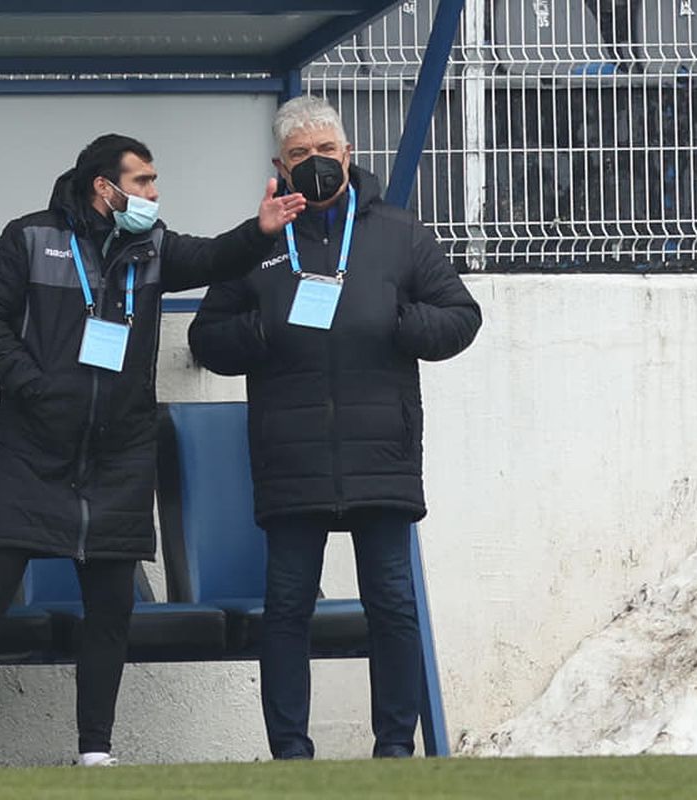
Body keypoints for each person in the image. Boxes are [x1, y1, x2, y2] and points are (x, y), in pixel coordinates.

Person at [0, 133, 306, 770]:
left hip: (119, 455)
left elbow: (210, 258)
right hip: (35, 449)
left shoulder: (152, 246)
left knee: (111, 609)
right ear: (105, 187)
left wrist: (259, 231)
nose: (153, 193)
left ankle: (96, 751)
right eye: (143, 181)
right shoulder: (31, 239)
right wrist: (32, 385)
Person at [188, 96, 482, 760]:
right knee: (288, 609)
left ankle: (394, 754)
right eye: (300, 156)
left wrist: (400, 320)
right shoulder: (255, 242)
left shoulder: (401, 233)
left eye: (327, 151)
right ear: (279, 165)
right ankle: (291, 756)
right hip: (291, 459)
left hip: (382, 451)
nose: (316, 164)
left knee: (393, 605)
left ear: (348, 154)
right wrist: (262, 331)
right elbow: (208, 340)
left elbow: (461, 317)